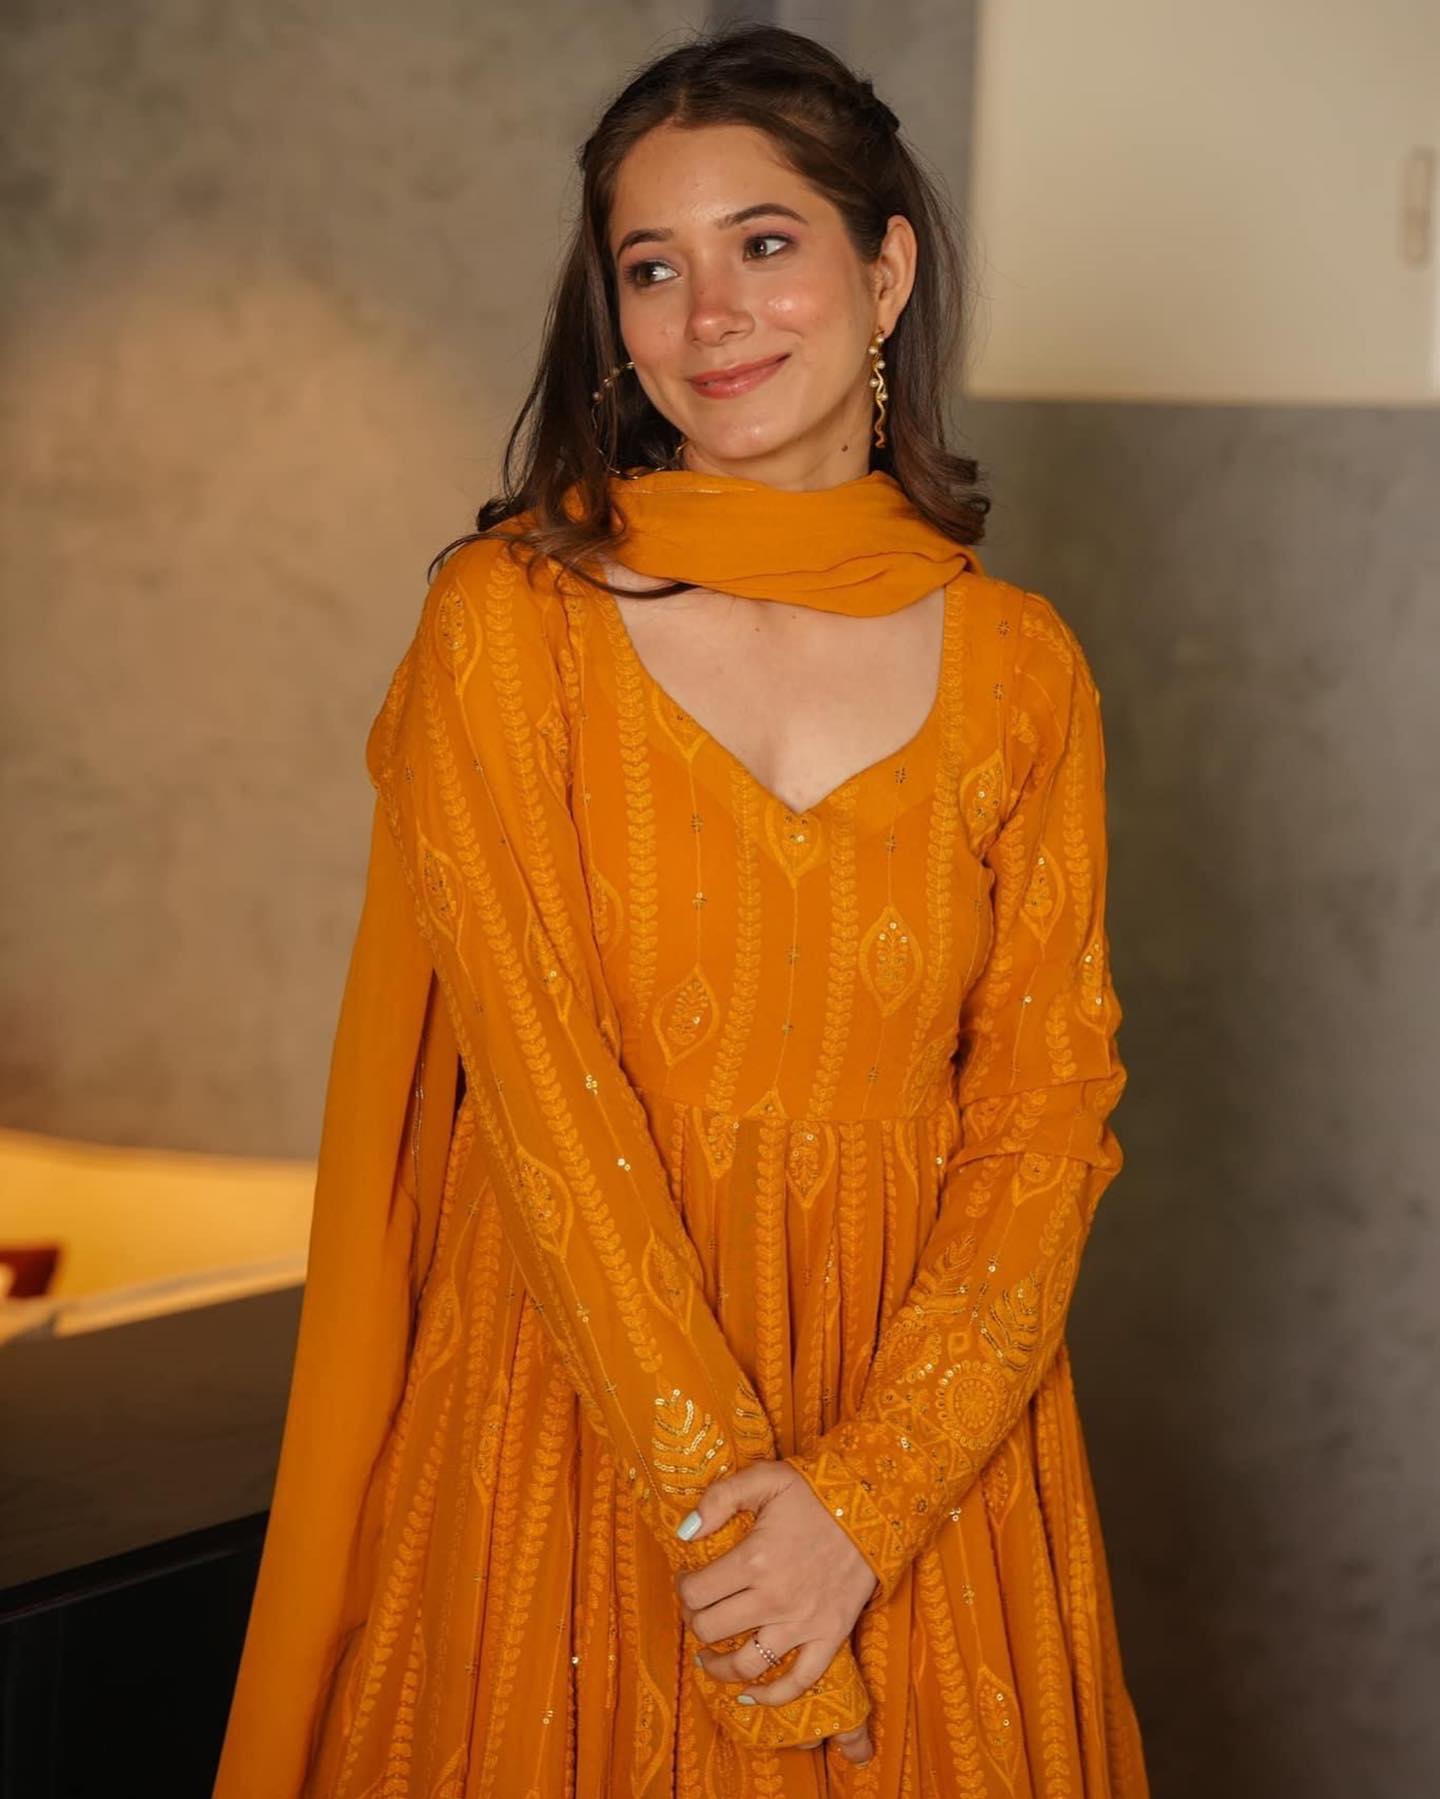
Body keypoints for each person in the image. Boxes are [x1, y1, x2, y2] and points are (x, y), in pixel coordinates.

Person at [212, 21, 1148, 1798]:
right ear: (615, 318)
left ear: (886, 269)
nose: (709, 312)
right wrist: (748, 1565)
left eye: (765, 243)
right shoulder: (511, 627)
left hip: (924, 1478)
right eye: (655, 267)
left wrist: (859, 1511)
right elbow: (549, 1114)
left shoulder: (1025, 674)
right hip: (572, 1445)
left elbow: (1048, 1116)